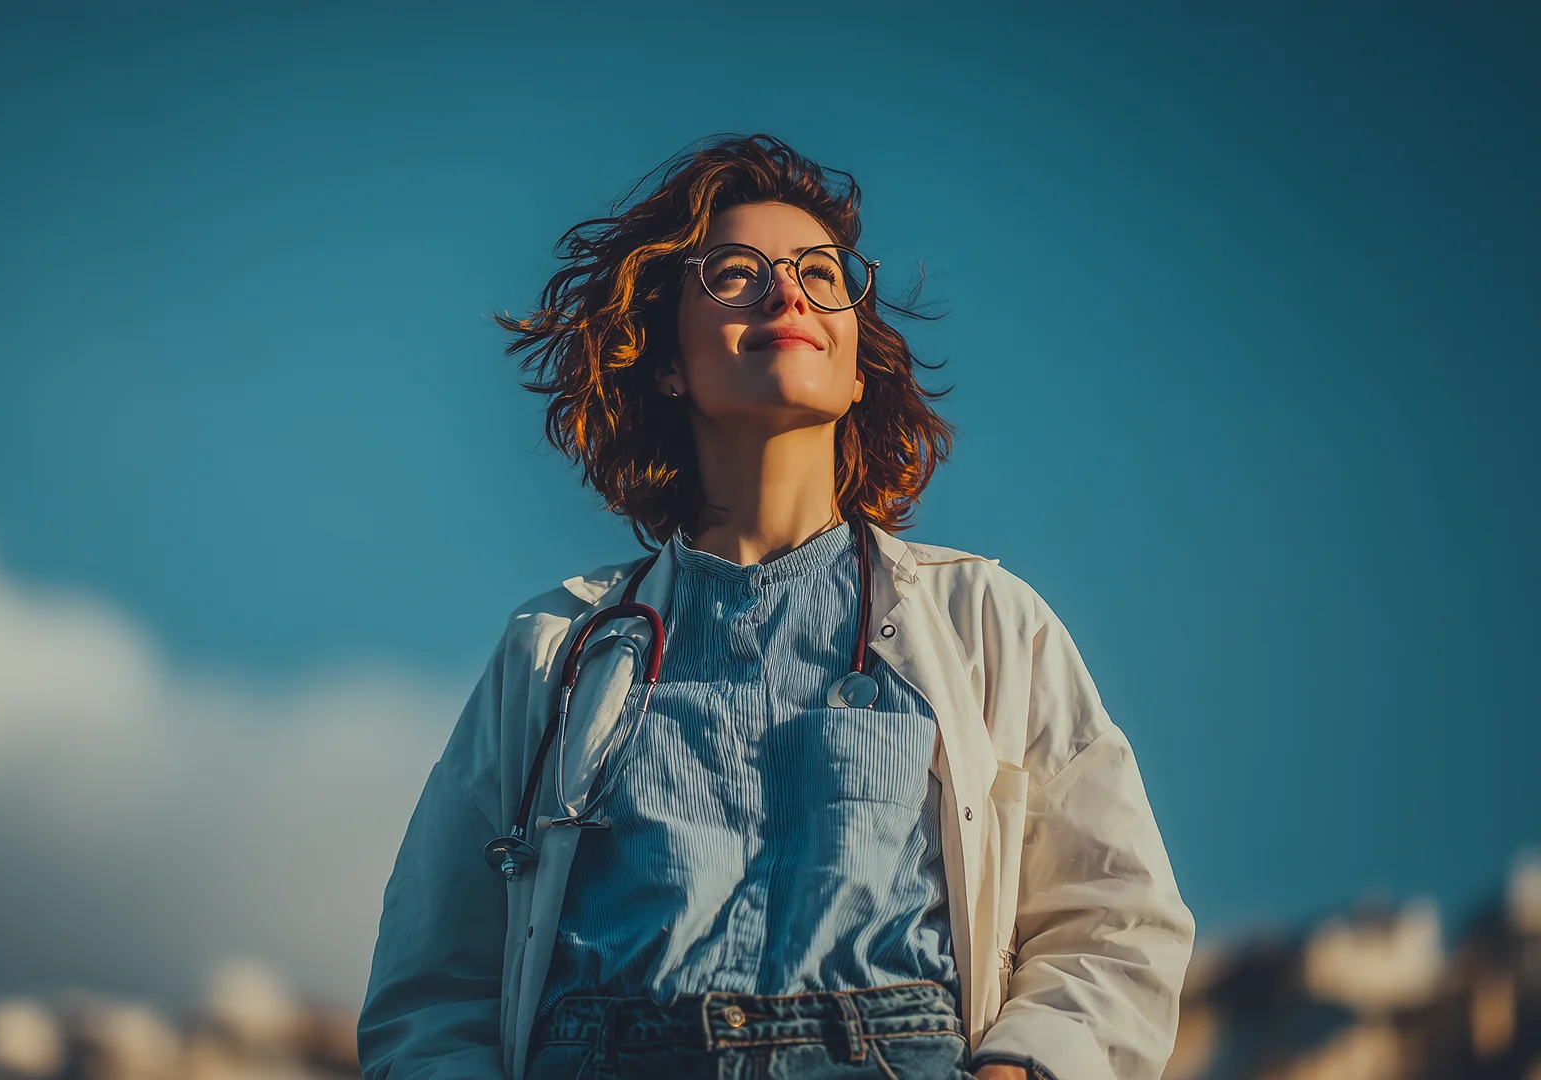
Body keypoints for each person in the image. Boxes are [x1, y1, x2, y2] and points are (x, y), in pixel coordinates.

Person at [357, 134, 1194, 1080]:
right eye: (734, 273)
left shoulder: (987, 623)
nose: (786, 293)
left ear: (857, 360)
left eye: (820, 274)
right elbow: (435, 987)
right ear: (666, 359)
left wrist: (1021, 1070)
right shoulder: (553, 650)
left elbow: (1114, 921)